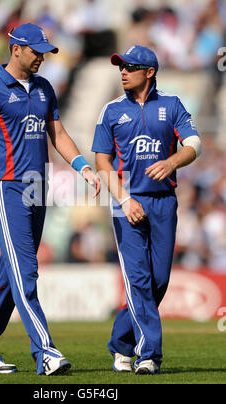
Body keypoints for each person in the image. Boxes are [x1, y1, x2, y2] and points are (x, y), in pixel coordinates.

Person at [0, 22, 100, 376]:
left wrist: (83, 167)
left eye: (46, 52)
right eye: (36, 51)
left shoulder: (44, 88)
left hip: (39, 187)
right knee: (26, 272)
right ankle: (45, 351)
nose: (42, 58)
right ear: (15, 48)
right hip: (7, 188)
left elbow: (58, 133)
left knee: (11, 275)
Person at [92, 45, 201, 375]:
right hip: (127, 203)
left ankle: (121, 343)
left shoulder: (172, 104)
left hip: (164, 203)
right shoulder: (110, 110)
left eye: (129, 66)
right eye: (120, 66)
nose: (122, 71)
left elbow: (194, 144)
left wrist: (171, 162)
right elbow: (102, 160)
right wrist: (124, 199)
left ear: (149, 72)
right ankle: (149, 355)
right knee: (138, 280)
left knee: (158, 280)